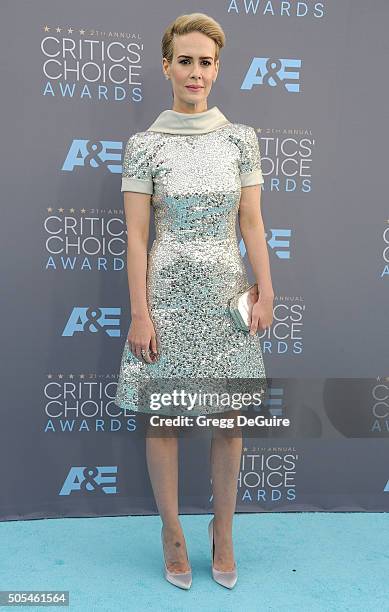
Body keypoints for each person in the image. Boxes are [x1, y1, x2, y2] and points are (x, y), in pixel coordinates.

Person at [114, 12, 274, 590]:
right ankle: (172, 532)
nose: (195, 72)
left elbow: (253, 224)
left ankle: (223, 532)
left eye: (205, 62)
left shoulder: (240, 139)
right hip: (166, 297)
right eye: (185, 60)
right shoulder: (143, 146)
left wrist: (266, 289)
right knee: (164, 419)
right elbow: (136, 237)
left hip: (227, 297)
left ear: (217, 69)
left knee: (229, 422)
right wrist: (139, 311)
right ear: (166, 66)